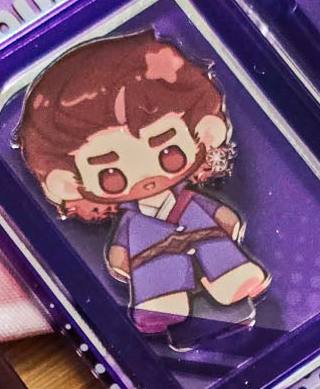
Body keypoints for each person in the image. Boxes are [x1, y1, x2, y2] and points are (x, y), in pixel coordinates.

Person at [17, 29, 269, 333]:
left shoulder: (190, 200)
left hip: (208, 240)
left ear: (202, 128)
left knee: (218, 253)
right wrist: (122, 261)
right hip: (154, 259)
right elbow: (119, 258)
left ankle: (232, 277)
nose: (147, 177)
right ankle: (162, 302)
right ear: (68, 180)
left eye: (169, 153)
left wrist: (227, 222)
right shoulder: (131, 222)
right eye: (111, 175)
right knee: (157, 276)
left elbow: (224, 218)